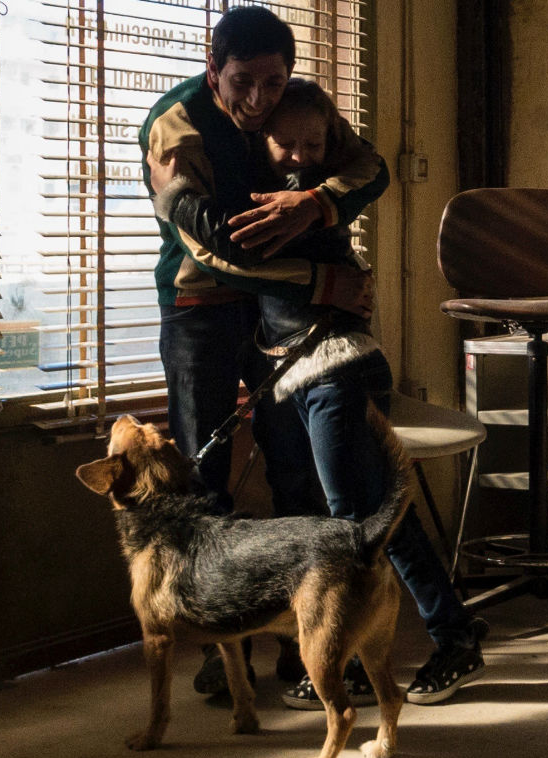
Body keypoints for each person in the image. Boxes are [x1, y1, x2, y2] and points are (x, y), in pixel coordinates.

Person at [147, 72, 487, 706]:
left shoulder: (299, 202)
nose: (300, 158)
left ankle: (437, 639)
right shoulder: (261, 182)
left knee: (355, 517)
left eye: (313, 145)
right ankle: (431, 637)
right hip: (304, 372)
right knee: (365, 512)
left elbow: (243, 252)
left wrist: (174, 199)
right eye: (286, 145)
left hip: (336, 369)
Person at [138, 6, 378, 699]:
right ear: (212, 67)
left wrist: (318, 204)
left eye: (273, 83)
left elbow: (370, 166)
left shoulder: (295, 107)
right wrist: (321, 280)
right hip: (200, 311)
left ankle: (307, 637)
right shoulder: (176, 125)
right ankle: (226, 651)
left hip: (278, 313)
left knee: (296, 467)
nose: (258, 100)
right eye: (242, 82)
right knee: (204, 482)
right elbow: (214, 243)